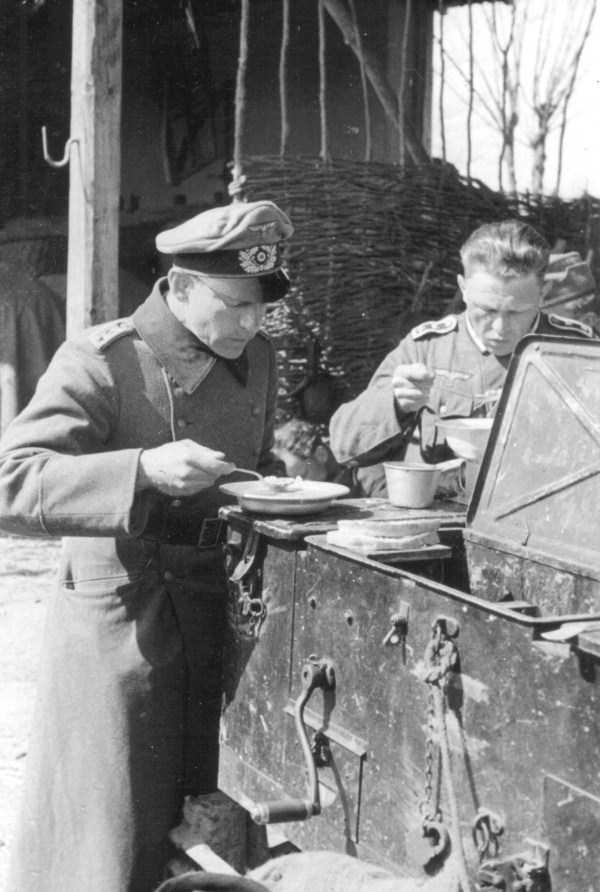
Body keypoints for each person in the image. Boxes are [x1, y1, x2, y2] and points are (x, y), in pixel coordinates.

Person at [0, 198, 293, 892]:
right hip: (124, 621)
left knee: (211, 815)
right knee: (115, 825)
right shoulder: (105, 360)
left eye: (262, 306)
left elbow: (254, 465)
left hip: (218, 607)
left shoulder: (255, 356)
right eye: (235, 305)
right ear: (181, 287)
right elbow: (12, 481)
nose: (251, 323)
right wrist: (139, 471)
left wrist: (279, 484)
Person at [330, 219, 595, 497]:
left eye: (516, 312)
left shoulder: (577, 349)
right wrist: (395, 403)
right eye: (487, 310)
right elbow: (344, 445)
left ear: (543, 293)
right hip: (444, 514)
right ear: (463, 288)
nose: (500, 328)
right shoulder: (428, 348)